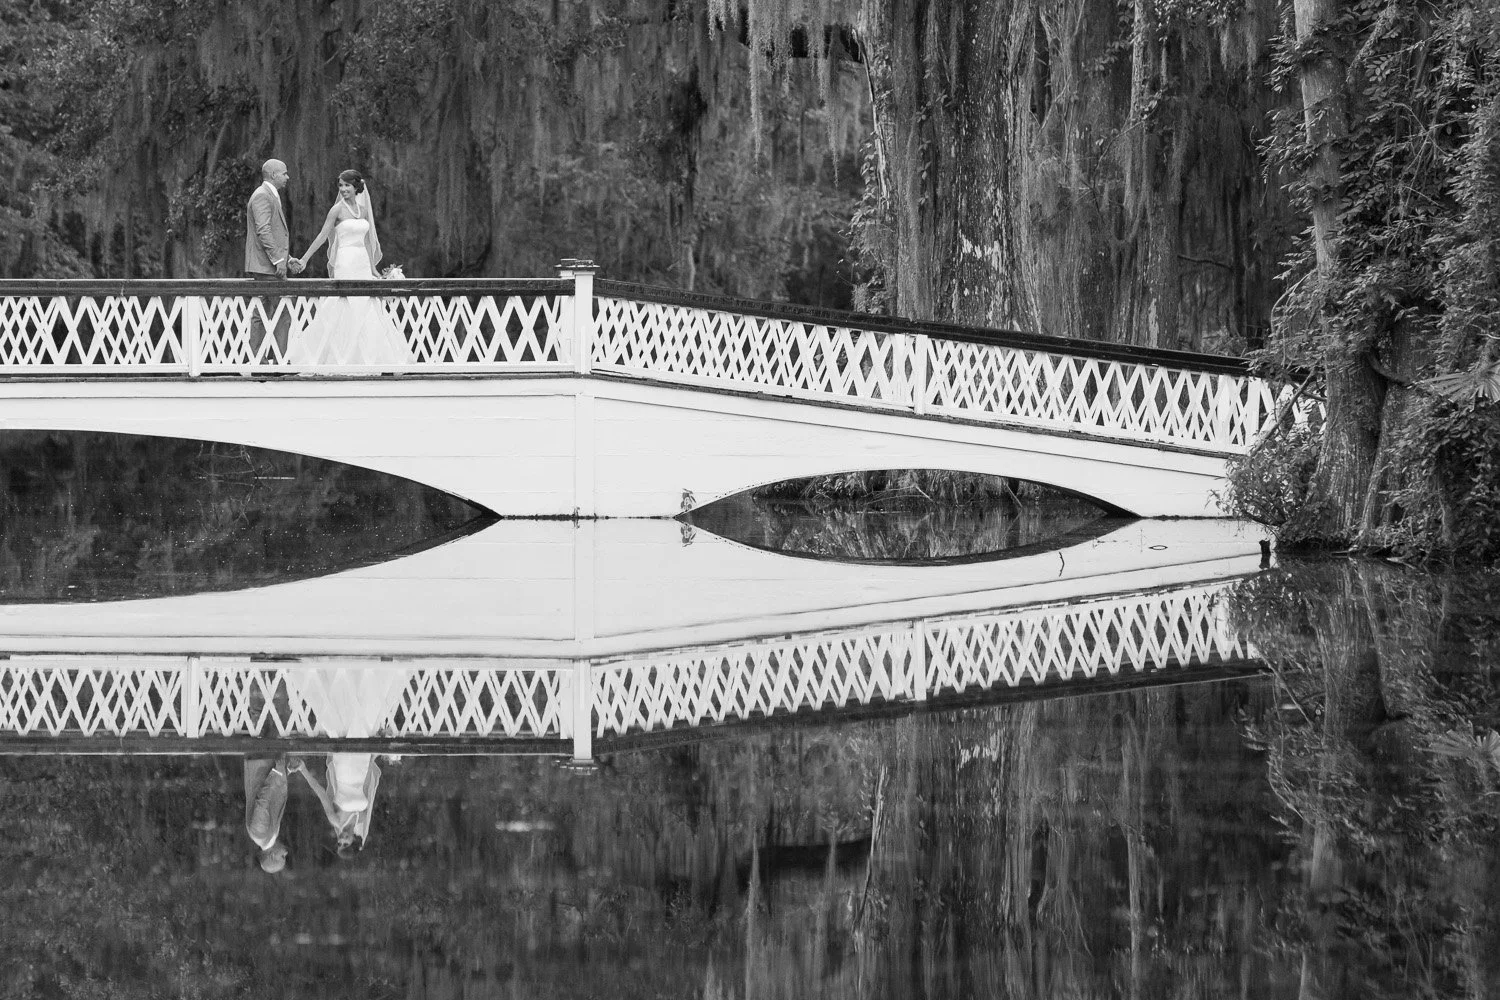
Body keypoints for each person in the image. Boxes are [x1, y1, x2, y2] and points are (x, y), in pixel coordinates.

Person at [287, 169, 411, 368]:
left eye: (347, 185)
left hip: (362, 260)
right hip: (345, 260)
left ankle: (370, 358)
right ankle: (336, 357)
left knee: (366, 305)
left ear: (356, 187)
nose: (343, 189)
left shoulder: (363, 211)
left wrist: (374, 270)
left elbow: (368, 242)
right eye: (341, 185)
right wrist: (304, 259)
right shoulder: (336, 210)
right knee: (344, 304)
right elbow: (322, 236)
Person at [244, 158, 304, 362]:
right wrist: (278, 259)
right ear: (273, 175)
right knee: (279, 310)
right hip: (265, 266)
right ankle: (276, 360)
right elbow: (263, 231)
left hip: (269, 264)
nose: (287, 177)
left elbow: (273, 234)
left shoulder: (270, 195)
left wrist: (286, 259)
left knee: (268, 311)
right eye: (284, 173)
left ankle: (262, 359)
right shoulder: (262, 196)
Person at [297, 753, 383, 856]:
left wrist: (303, 769)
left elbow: (320, 792)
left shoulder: (335, 819)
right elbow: (366, 786)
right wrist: (370, 760)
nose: (341, 840)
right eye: (345, 844)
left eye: (339, 843)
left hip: (343, 769)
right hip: (362, 767)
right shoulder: (362, 818)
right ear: (354, 841)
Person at [243, 754, 294, 873]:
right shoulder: (269, 837)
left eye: (282, 857)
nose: (285, 852)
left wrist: (277, 772)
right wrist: (285, 771)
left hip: (261, 761)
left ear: (272, 856)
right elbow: (274, 797)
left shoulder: (260, 835)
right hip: (266, 763)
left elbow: (263, 801)